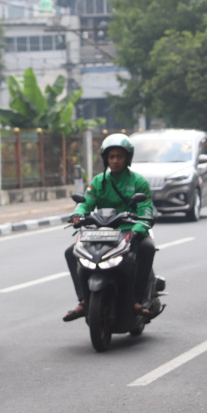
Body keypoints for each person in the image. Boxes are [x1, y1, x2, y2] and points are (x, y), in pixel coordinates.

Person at [63, 134, 156, 322]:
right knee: (71, 252)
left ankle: (137, 300)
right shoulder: (99, 181)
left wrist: (138, 229)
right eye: (111, 157)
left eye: (119, 156)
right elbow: (86, 202)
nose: (115, 161)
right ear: (105, 158)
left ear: (127, 158)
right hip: (102, 231)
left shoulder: (139, 182)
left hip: (130, 232)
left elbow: (145, 210)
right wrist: (77, 214)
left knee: (147, 248)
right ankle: (83, 300)